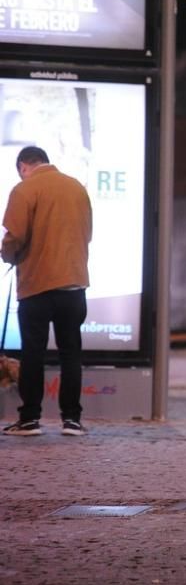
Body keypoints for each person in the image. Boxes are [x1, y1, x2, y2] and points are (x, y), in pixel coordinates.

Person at [1, 146, 92, 437]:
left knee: (33, 354)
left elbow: (15, 236)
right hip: (73, 284)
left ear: (24, 165)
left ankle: (29, 420)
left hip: (37, 286)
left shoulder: (25, 190)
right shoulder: (77, 188)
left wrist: (7, 254)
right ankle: (72, 420)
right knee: (71, 353)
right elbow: (87, 233)